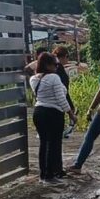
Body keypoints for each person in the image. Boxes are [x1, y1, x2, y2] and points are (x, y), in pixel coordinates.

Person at [29, 52, 76, 182]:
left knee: (44, 143)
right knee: (54, 143)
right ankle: (51, 174)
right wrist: (71, 114)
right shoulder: (54, 78)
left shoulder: (33, 79)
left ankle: (43, 174)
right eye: (54, 64)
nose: (57, 67)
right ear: (47, 65)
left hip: (38, 112)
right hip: (53, 113)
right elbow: (61, 98)